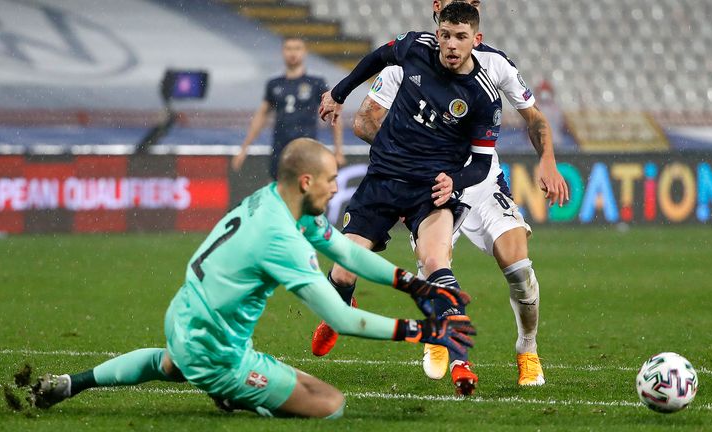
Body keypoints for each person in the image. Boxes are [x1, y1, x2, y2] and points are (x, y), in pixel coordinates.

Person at [28, 138, 475, 419]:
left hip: (183, 318)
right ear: (306, 181)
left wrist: (414, 285)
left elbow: (343, 251)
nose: (337, 189)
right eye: (331, 180)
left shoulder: (274, 201)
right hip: (220, 354)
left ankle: (73, 382)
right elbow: (341, 319)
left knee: (168, 363)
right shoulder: (282, 239)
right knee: (329, 405)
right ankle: (235, 396)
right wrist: (427, 331)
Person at [349, 0, 570, 387]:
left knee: (518, 267)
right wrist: (407, 159)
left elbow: (534, 119)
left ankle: (528, 349)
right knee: (434, 263)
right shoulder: (410, 57)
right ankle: (439, 336)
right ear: (437, 9)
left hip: (480, 181)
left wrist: (548, 160)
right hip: (432, 182)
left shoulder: (495, 63)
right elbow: (366, 120)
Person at [313, 3, 498, 395]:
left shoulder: (482, 97)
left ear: (475, 41)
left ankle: (460, 362)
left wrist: (457, 182)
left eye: (460, 37)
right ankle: (339, 310)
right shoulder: (415, 46)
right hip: (382, 181)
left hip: (430, 191)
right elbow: (377, 57)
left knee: (436, 262)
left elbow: (481, 164)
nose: (450, 44)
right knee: (343, 270)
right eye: (446, 34)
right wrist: (340, 92)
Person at [232, 37, 345, 179]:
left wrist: (338, 150)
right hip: (280, 149)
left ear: (304, 52)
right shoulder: (274, 84)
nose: (293, 53)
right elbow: (261, 116)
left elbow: (333, 115)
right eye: (289, 49)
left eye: (297, 48)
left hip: (307, 148)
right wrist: (244, 148)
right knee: (278, 190)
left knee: (306, 188)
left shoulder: (316, 83)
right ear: (283, 52)